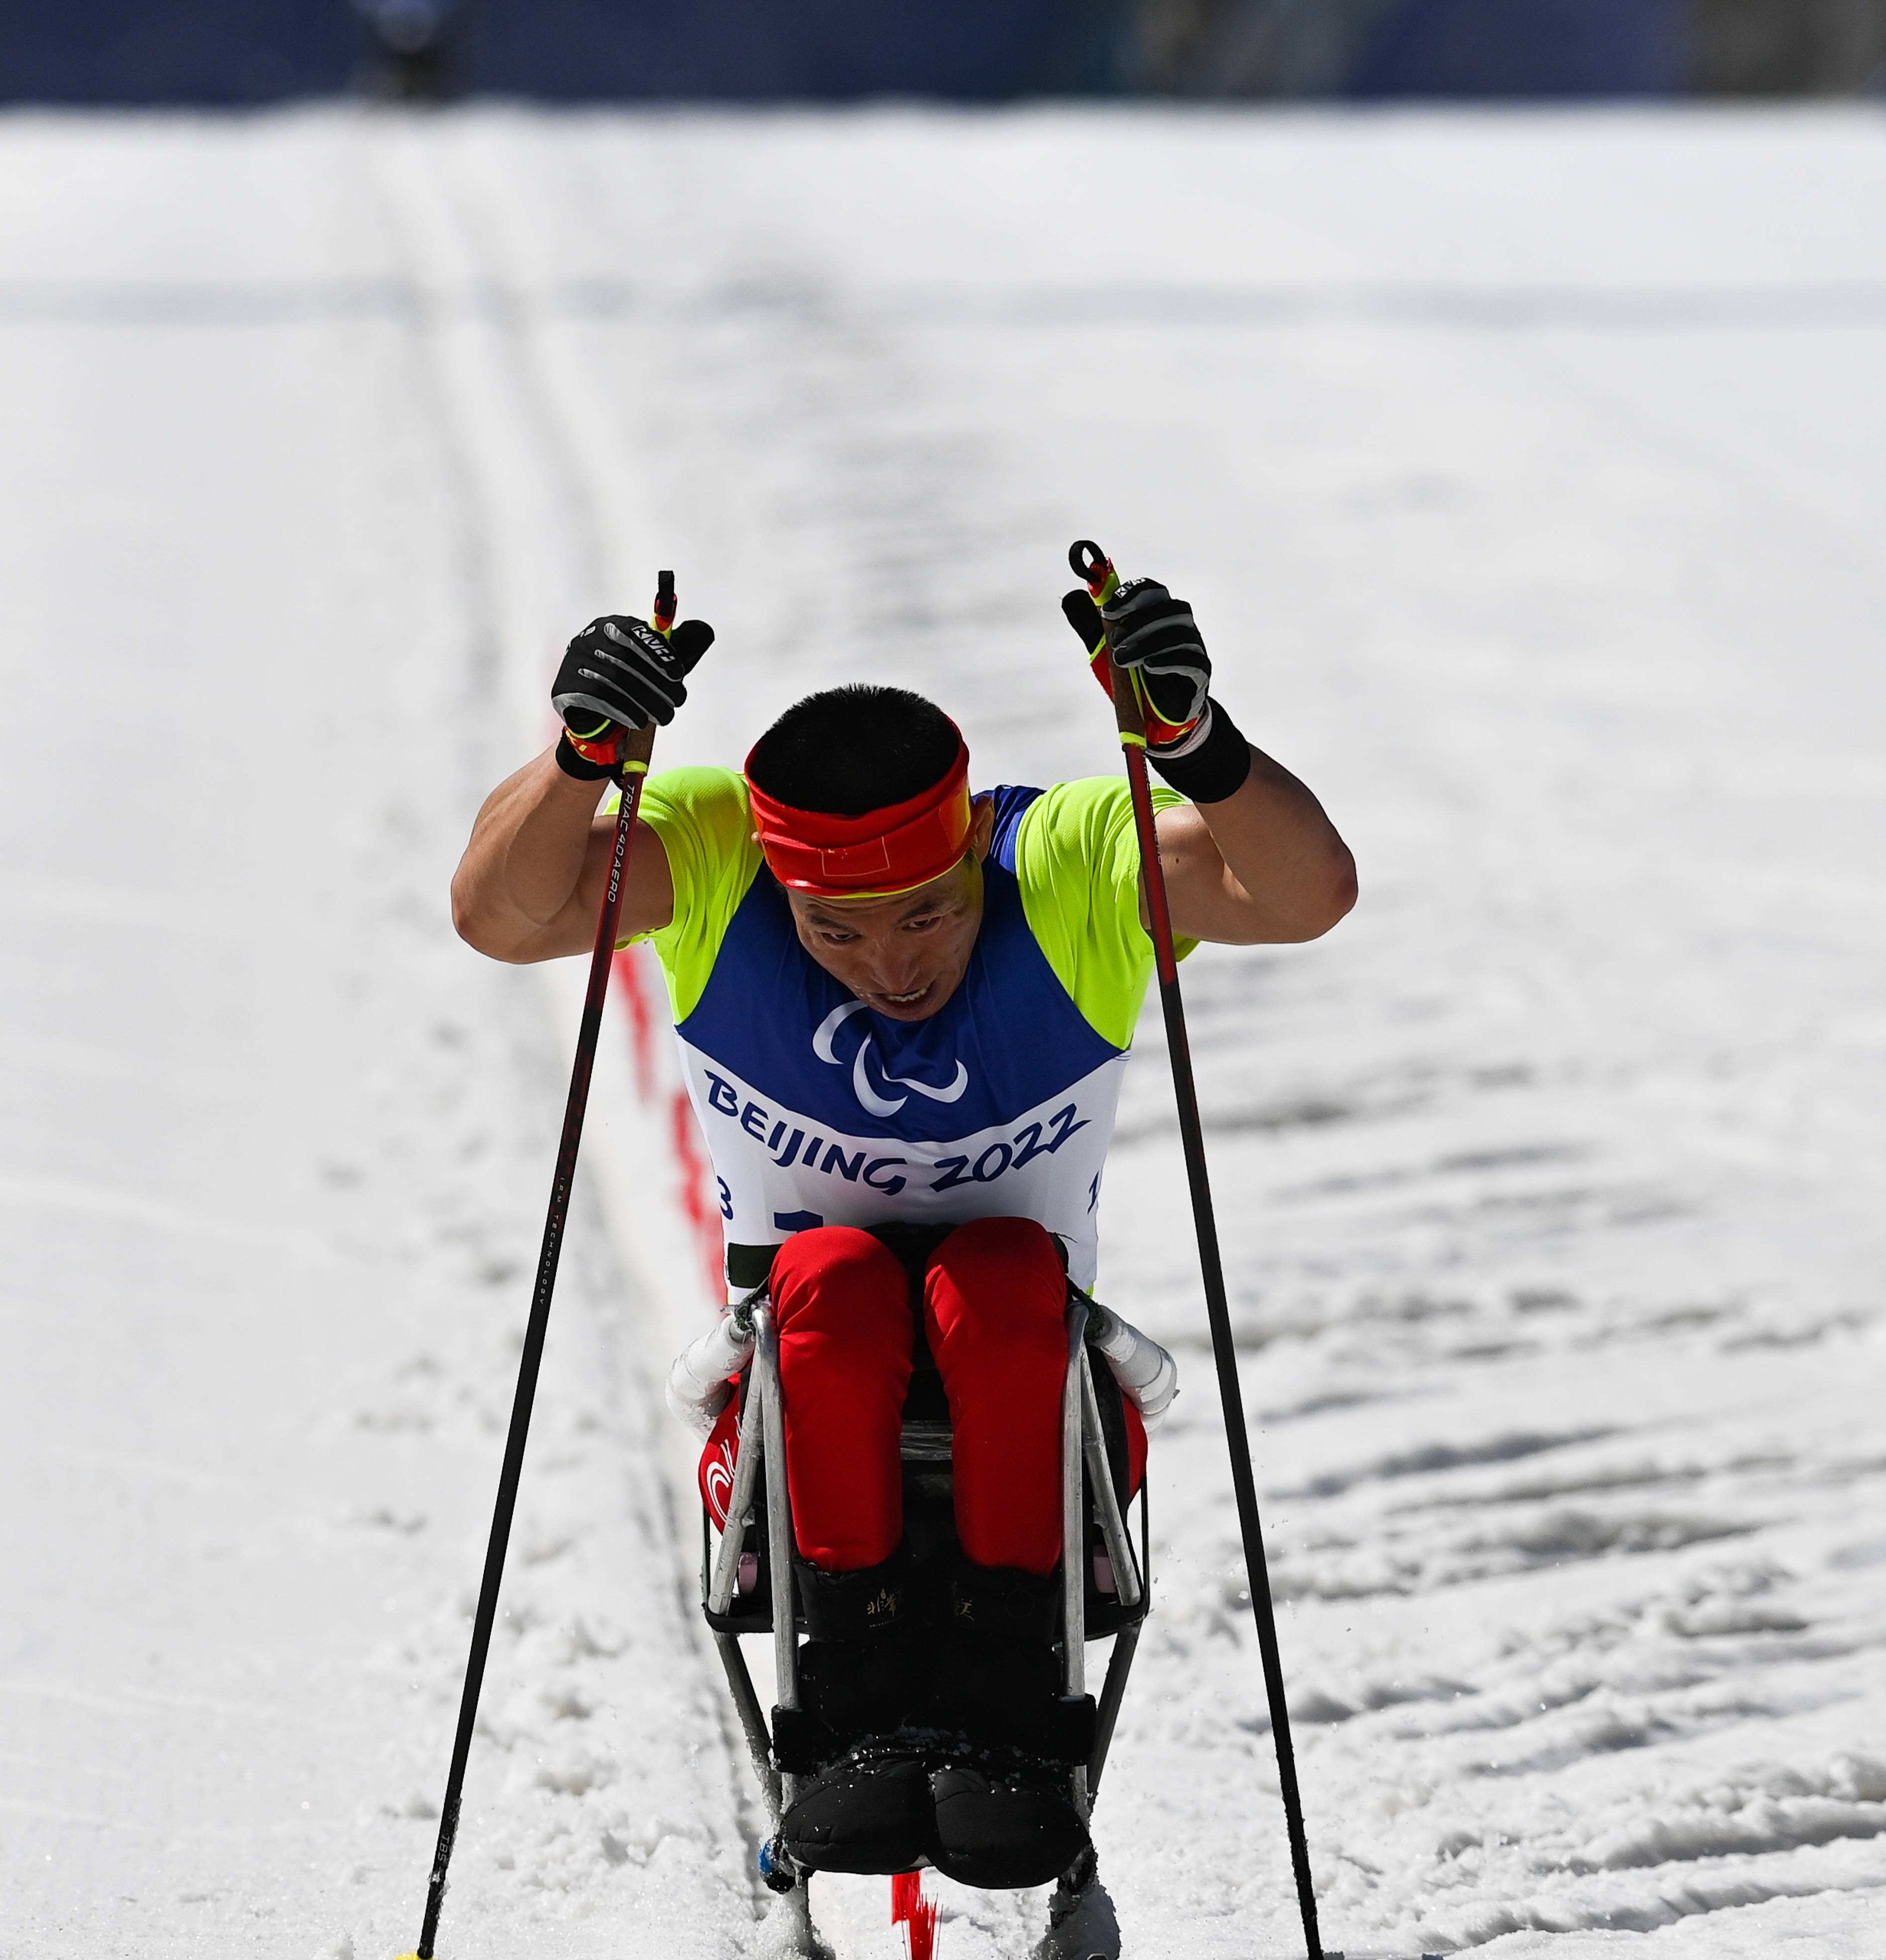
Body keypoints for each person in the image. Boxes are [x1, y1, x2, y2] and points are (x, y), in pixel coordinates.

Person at [452, 573, 1356, 1889]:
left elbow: (1302, 895)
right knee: (833, 1278)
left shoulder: (1062, 860)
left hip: (1036, 1386)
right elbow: (500, 911)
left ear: (968, 850)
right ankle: (848, 1725)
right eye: (833, 930)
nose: (891, 969)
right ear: (783, 884)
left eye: (929, 914)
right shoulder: (712, 852)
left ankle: (1009, 1725)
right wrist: (584, 759)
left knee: (992, 1278)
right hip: (792, 1398)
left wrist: (1194, 746)